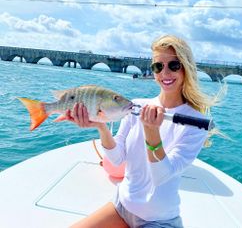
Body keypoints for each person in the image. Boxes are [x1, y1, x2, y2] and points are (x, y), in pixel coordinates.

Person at [68, 35, 219, 228]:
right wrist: (101, 126)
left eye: (173, 65)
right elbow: (117, 159)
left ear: (186, 68)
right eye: (158, 66)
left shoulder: (197, 123)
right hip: (121, 206)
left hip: (159, 220)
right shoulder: (136, 105)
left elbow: (162, 176)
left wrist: (151, 132)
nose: (164, 73)